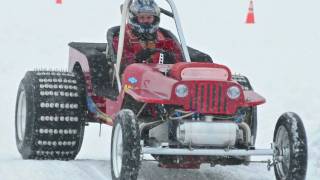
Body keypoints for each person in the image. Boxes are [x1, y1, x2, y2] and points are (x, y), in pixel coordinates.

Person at [113, 0, 183, 67]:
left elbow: (179, 58)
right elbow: (121, 61)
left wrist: (171, 58)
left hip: (163, 76)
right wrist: (137, 58)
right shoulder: (123, 37)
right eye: (142, 17)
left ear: (155, 18)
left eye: (149, 17)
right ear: (134, 18)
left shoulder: (164, 38)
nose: (146, 21)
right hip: (135, 76)